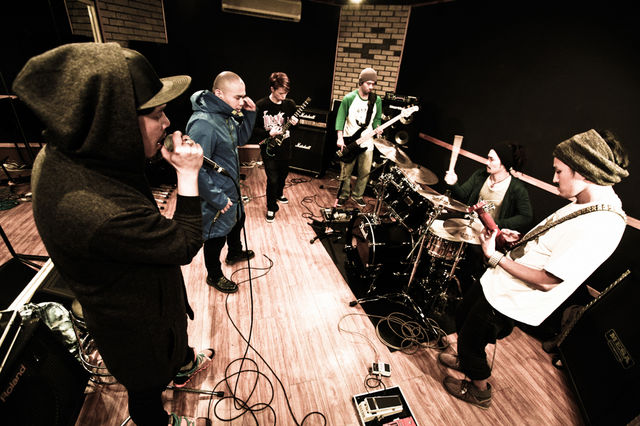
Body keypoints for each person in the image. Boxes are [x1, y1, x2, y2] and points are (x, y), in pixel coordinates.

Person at [13, 42, 213, 426]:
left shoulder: (70, 152)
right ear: (114, 122)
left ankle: (184, 364)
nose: (168, 122)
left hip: (146, 298)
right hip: (135, 325)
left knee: (169, 351)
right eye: (155, 113)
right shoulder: (94, 208)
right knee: (146, 388)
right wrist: (188, 175)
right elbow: (184, 243)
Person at [438, 129, 629, 409]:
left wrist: (495, 258)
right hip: (501, 279)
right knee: (464, 317)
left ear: (583, 172)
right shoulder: (585, 203)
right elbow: (551, 248)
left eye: (559, 171)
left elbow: (547, 280)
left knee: (472, 338)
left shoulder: (602, 224)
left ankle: (479, 389)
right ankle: (465, 360)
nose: (554, 179)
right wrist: (518, 242)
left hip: (511, 296)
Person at [186, 71, 257, 294]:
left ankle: (234, 252)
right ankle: (214, 275)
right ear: (219, 94)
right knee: (215, 235)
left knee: (238, 219)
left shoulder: (226, 114)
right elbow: (194, 168)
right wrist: (217, 198)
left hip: (230, 187)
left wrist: (250, 114)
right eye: (238, 97)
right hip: (216, 194)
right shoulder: (203, 123)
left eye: (244, 96)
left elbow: (240, 139)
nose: (242, 101)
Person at [444, 142, 533, 234]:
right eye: (488, 158)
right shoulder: (480, 175)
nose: (487, 162)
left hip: (489, 235)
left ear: (504, 163)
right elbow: (462, 194)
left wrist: (497, 223)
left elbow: (526, 217)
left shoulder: (517, 188)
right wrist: (453, 183)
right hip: (468, 227)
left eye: (492, 159)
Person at [252, 72, 299, 223]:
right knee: (272, 179)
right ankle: (271, 207)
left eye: (286, 93)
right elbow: (253, 130)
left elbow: (295, 127)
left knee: (283, 175)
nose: (284, 96)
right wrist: (268, 133)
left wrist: (296, 123)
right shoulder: (261, 105)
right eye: (280, 93)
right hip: (268, 149)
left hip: (285, 147)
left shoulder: (290, 104)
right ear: (272, 89)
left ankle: (279, 193)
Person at [335, 67, 383, 207]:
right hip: (350, 139)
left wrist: (378, 128)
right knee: (346, 171)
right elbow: (340, 118)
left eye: (373, 84)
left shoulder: (376, 100)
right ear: (361, 82)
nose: (371, 87)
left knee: (365, 171)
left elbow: (377, 119)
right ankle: (343, 195)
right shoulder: (349, 98)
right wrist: (340, 137)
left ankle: (358, 195)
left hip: (368, 141)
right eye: (368, 83)